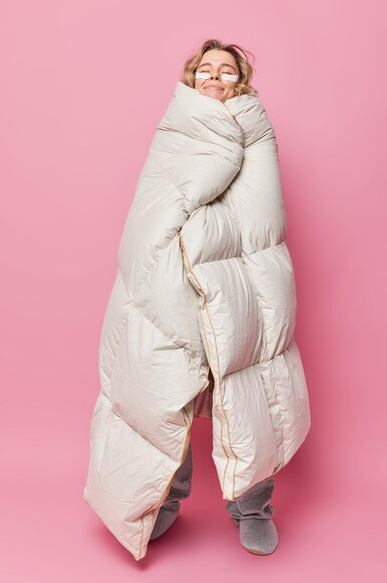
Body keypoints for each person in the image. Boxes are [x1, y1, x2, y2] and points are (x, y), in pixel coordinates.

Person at [149, 40, 278, 556]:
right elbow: (157, 200)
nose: (215, 76)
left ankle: (254, 507)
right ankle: (160, 498)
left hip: (240, 272)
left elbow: (262, 207)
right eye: (206, 68)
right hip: (176, 273)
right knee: (166, 390)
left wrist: (226, 137)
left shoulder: (255, 127)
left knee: (245, 393)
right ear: (191, 77)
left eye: (227, 71)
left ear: (240, 82)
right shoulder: (174, 127)